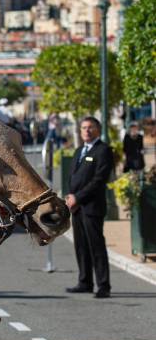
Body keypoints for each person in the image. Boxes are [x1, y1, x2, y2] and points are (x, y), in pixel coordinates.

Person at [65, 116, 114, 298]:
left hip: (92, 206)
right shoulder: (79, 151)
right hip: (76, 207)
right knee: (81, 246)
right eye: (84, 127)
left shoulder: (103, 151)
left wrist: (78, 197)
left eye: (90, 127)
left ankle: (103, 286)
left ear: (98, 130)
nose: (86, 130)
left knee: (96, 246)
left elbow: (98, 180)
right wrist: (70, 196)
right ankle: (84, 282)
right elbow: (73, 176)